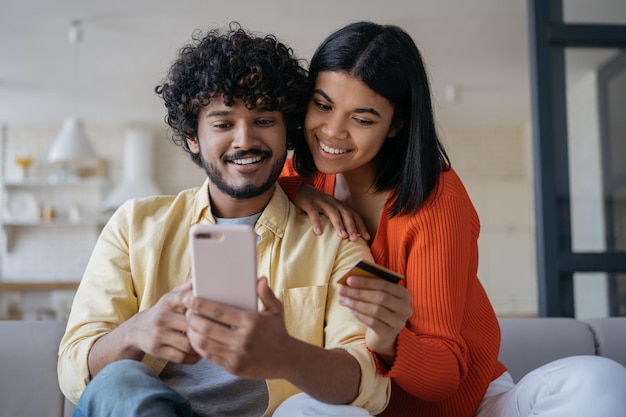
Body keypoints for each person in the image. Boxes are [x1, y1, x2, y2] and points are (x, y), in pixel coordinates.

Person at [277, 21, 626, 417]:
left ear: (397, 125)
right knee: (300, 411)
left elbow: (444, 375)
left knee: (600, 382)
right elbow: (248, 183)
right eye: (323, 105)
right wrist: (298, 191)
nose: (333, 131)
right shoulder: (303, 178)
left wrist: (390, 339)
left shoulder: (436, 199)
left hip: (472, 406)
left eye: (362, 118)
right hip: (363, 407)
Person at [57, 23, 390, 417]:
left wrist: (287, 355)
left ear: (288, 133)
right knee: (120, 382)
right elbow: (74, 367)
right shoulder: (135, 225)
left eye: (264, 120)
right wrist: (138, 331)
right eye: (223, 123)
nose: (245, 139)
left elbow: (370, 384)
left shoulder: (334, 238)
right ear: (193, 138)